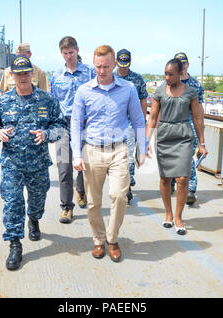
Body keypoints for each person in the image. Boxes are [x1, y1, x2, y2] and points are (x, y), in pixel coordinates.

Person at [0, 55, 67, 271]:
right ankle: (14, 244)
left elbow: (60, 126)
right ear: (11, 75)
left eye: (26, 73)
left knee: (38, 199)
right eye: (18, 73)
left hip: (38, 163)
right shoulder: (2, 101)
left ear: (32, 74)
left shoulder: (46, 100)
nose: (22, 77)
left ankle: (34, 219)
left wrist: (47, 134)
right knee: (12, 203)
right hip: (12, 163)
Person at [71, 45, 147, 262]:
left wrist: (142, 148)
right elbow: (76, 123)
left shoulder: (129, 88)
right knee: (94, 202)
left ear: (114, 65)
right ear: (94, 65)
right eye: (98, 66)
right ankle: (98, 240)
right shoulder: (84, 90)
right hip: (92, 150)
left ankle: (112, 240)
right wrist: (76, 154)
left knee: (119, 195)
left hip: (119, 150)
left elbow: (138, 119)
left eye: (106, 66)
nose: (102, 71)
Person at [146, 58, 207, 235]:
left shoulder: (191, 92)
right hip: (164, 136)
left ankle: (178, 217)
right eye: (165, 73)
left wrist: (202, 143)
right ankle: (168, 213)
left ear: (180, 73)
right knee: (165, 178)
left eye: (171, 74)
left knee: (182, 179)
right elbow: (152, 117)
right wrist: (146, 141)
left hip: (183, 136)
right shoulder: (159, 91)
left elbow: (197, 118)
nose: (167, 77)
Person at [50, 36, 96, 224]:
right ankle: (66, 207)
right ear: (61, 53)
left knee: (84, 166)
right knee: (64, 168)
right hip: (63, 126)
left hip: (85, 126)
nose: (68, 56)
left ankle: (82, 191)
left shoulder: (90, 73)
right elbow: (53, 101)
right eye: (65, 53)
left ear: (78, 50)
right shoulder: (56, 75)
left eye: (71, 52)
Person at [170, 52, 205, 204]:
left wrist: (201, 137)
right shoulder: (169, 83)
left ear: (187, 65)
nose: (182, 67)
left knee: (186, 158)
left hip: (190, 125)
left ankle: (190, 189)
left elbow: (200, 110)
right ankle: (172, 181)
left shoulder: (196, 85)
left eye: (183, 64)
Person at [114, 49, 148, 202]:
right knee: (114, 157)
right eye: (120, 65)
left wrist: (141, 121)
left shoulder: (137, 79)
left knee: (128, 156)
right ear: (116, 62)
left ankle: (127, 183)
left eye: (125, 65)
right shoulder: (110, 77)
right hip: (113, 124)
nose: (123, 68)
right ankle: (122, 182)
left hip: (130, 123)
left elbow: (143, 100)